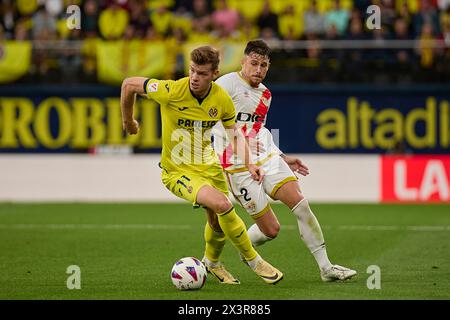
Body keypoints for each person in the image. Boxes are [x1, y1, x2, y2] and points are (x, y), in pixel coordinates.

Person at [120, 45, 283, 285]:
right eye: (193, 71)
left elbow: (234, 135)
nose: (195, 78)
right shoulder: (171, 90)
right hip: (177, 171)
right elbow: (128, 85)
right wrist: (129, 120)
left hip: (209, 166)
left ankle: (212, 263)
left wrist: (249, 164)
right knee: (223, 204)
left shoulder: (221, 99)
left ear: (214, 74)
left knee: (217, 222)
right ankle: (253, 260)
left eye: (202, 73)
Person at [212, 40, 357, 282]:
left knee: (301, 204)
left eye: (264, 65)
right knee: (272, 230)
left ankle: (326, 268)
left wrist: (281, 156)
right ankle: (245, 248)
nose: (258, 70)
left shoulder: (265, 95)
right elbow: (212, 124)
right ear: (243, 62)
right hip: (236, 165)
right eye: (254, 63)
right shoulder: (224, 85)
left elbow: (259, 131)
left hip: (265, 158)